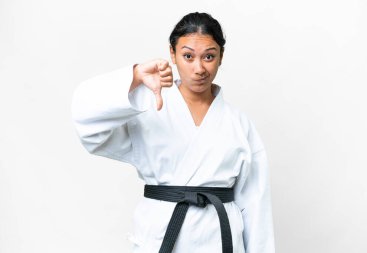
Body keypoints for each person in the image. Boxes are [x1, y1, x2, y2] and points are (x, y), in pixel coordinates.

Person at [71, 12, 275, 253]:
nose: (199, 68)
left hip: (220, 241)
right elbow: (86, 122)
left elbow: (255, 205)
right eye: (188, 56)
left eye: (209, 56)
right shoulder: (149, 109)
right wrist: (135, 77)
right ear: (172, 54)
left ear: (221, 57)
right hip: (160, 239)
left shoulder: (239, 124)